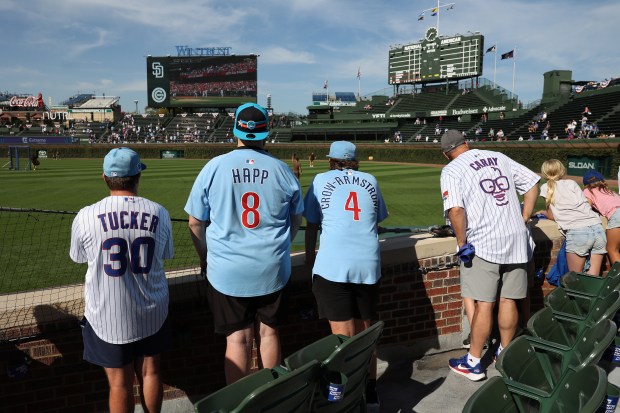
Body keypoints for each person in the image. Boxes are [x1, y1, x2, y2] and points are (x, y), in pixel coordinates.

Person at [185, 103, 303, 384]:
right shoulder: (282, 169)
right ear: (266, 133)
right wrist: (282, 245)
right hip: (272, 268)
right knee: (269, 333)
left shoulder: (214, 167)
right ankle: (272, 397)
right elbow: (296, 217)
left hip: (226, 270)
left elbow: (195, 223)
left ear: (235, 130)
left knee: (237, 340)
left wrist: (205, 257)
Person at [70, 147, 174, 413]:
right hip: (152, 309)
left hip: (106, 314)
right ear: (137, 177)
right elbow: (166, 255)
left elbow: (79, 257)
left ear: (105, 177)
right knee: (150, 373)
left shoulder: (85, 215)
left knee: (119, 385)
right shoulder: (159, 212)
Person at [440, 130, 539, 381]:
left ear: (445, 154)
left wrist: (462, 242)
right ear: (467, 143)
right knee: (508, 300)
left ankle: (473, 363)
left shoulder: (452, 169)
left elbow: (455, 210)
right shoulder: (498, 155)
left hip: (483, 242)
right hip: (516, 239)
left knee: (485, 304)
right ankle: (505, 355)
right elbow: (532, 184)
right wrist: (524, 217)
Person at [304, 141, 388, 411]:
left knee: (342, 341)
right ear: (354, 160)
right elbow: (376, 220)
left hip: (333, 266)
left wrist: (309, 259)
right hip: (368, 265)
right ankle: (371, 391)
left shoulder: (320, 179)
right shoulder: (370, 180)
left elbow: (312, 224)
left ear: (331, 160)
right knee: (365, 335)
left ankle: (342, 399)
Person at [536, 159, 606, 275]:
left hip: (578, 231)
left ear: (544, 173)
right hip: (597, 228)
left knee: (575, 280)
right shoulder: (571, 183)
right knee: (593, 279)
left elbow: (552, 216)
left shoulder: (546, 187)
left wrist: (543, 212)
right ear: (562, 171)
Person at [582, 170, 620, 265]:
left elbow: (587, 208)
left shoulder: (587, 191)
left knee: (612, 249)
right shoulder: (609, 191)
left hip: (617, 215)